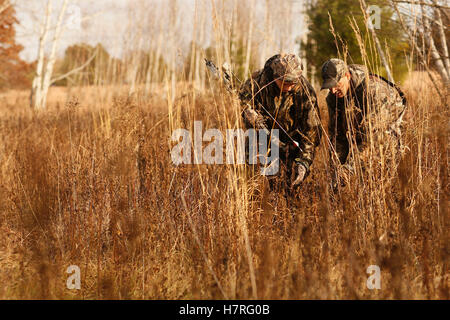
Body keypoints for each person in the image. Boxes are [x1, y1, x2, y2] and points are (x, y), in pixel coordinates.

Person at [238, 53, 322, 189]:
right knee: (259, 180)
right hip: (262, 136)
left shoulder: (305, 92)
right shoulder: (259, 82)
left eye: (292, 82)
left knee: (292, 182)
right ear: (275, 77)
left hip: (291, 139)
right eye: (284, 82)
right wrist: (248, 114)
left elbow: (311, 135)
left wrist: (304, 163)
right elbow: (243, 100)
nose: (289, 86)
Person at [320, 58, 407, 184]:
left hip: (386, 135)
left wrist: (348, 170)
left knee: (381, 178)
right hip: (364, 132)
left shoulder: (375, 91)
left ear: (347, 76)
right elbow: (337, 137)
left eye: (336, 84)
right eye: (329, 87)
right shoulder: (333, 98)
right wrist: (336, 172)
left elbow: (372, 140)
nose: (333, 91)